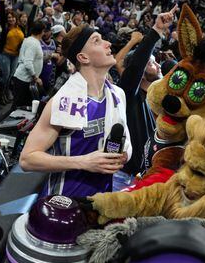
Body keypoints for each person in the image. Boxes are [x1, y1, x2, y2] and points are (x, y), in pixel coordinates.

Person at [19, 24, 132, 197]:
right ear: (83, 57)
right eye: (97, 41)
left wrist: (121, 155)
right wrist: (84, 162)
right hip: (64, 200)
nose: (108, 43)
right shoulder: (62, 102)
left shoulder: (117, 95)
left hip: (102, 199)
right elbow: (27, 159)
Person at [112, 5, 177, 190]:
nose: (156, 63)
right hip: (120, 177)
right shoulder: (128, 94)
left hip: (141, 179)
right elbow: (135, 65)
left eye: (156, 60)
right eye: (150, 61)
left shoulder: (154, 102)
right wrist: (156, 31)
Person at [12, 20, 45, 108]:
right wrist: (36, 77)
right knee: (18, 106)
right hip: (23, 79)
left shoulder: (31, 40)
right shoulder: (33, 43)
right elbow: (28, 63)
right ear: (41, 32)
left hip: (26, 79)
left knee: (22, 105)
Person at [0, 0, 24, 102]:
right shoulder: (5, 27)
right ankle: (1, 94)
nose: (10, 19)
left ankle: (6, 91)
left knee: (11, 76)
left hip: (16, 55)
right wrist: (2, 1)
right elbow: (1, 14)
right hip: (5, 54)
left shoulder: (20, 28)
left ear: (16, 18)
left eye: (12, 17)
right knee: (6, 75)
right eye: (8, 17)